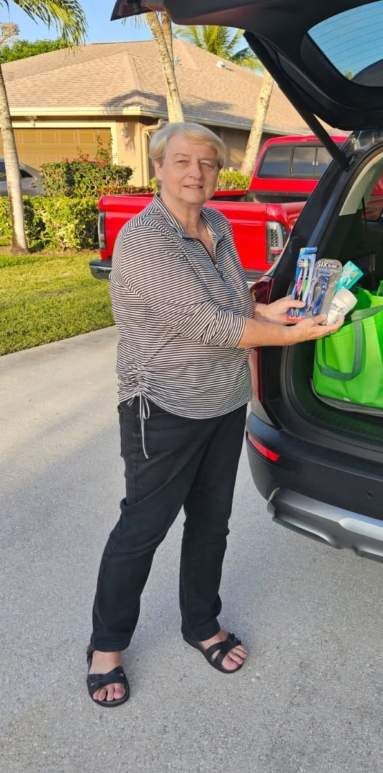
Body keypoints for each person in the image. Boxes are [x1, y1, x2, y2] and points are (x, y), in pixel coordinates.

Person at [86, 122, 342, 706]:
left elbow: (229, 303)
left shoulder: (218, 224)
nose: (196, 172)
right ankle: (106, 647)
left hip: (224, 401)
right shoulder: (145, 239)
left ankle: (201, 624)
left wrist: (271, 309)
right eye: (182, 161)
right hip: (164, 406)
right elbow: (205, 324)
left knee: (211, 523)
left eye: (207, 162)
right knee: (143, 528)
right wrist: (291, 335)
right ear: (158, 167)